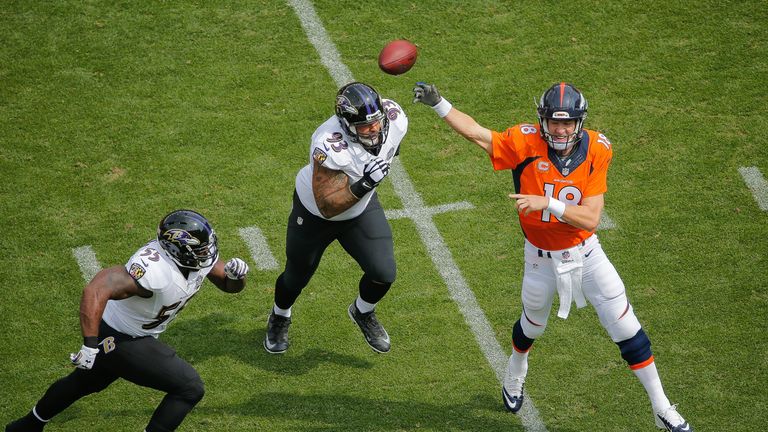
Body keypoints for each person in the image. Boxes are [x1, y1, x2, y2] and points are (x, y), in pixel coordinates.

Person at [413, 82, 693, 431]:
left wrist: (549, 203)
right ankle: (516, 369)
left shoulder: (597, 149)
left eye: (568, 123)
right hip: (540, 258)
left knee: (625, 326)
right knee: (532, 323)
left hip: (587, 253)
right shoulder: (525, 142)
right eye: (554, 122)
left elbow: (591, 218)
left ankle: (662, 407)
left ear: (580, 122)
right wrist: (439, 103)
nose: (561, 130)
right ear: (542, 121)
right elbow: (479, 135)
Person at [5, 209, 250, 432]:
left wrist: (236, 277)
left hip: (133, 332)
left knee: (84, 383)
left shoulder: (194, 259)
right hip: (121, 336)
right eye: (200, 249)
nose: (208, 254)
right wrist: (89, 344)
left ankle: (25, 427)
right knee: (189, 387)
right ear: (178, 250)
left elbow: (229, 286)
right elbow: (96, 289)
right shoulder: (154, 269)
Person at [264, 81, 408, 355]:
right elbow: (328, 205)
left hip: (360, 209)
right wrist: (366, 183)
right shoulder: (328, 144)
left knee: (383, 272)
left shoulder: (395, 118)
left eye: (375, 122)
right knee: (297, 276)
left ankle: (363, 312)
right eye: (365, 127)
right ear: (346, 124)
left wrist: (368, 181)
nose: (374, 130)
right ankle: (280, 315)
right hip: (315, 213)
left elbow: (391, 146)